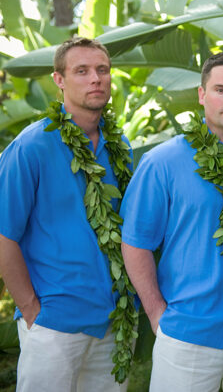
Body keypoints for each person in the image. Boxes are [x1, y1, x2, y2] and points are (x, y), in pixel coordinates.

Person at [120, 51, 223, 392]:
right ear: (202, 95)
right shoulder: (162, 162)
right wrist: (157, 313)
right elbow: (135, 242)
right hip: (188, 331)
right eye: (220, 89)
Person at [0, 36, 133, 390]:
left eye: (102, 70)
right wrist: (32, 310)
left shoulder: (120, 149)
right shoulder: (31, 146)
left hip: (111, 323)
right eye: (82, 71)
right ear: (59, 80)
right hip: (53, 325)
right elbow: (3, 236)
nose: (96, 79)